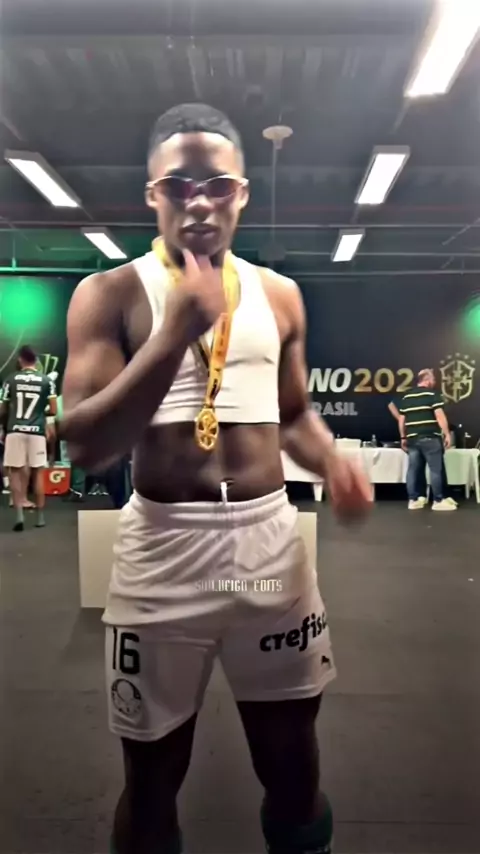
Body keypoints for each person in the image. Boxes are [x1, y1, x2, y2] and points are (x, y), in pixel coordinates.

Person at [60, 103, 372, 854]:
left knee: (293, 764)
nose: (198, 200)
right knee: (152, 779)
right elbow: (87, 444)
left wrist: (331, 457)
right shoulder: (110, 293)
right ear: (152, 193)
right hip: (163, 551)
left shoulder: (280, 294)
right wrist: (174, 333)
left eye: (217, 184)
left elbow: (293, 414)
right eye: (179, 184)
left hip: (270, 545)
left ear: (242, 194)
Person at [0, 345, 57, 530]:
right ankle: (40, 517)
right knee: (38, 473)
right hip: (37, 432)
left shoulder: (10, 379)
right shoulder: (47, 381)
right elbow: (53, 410)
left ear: (20, 359)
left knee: (15, 473)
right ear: (36, 360)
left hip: (15, 430)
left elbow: (2, 409)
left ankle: (19, 515)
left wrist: (4, 426)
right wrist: (40, 415)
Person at [398, 368, 456, 511]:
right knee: (435, 470)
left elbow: (401, 419)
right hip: (430, 437)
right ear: (428, 380)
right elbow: (440, 416)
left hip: (412, 438)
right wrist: (447, 434)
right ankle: (438, 500)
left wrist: (403, 437)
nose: (434, 382)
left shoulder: (406, 397)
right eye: (434, 379)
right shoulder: (432, 395)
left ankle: (413, 500)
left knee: (413, 470)